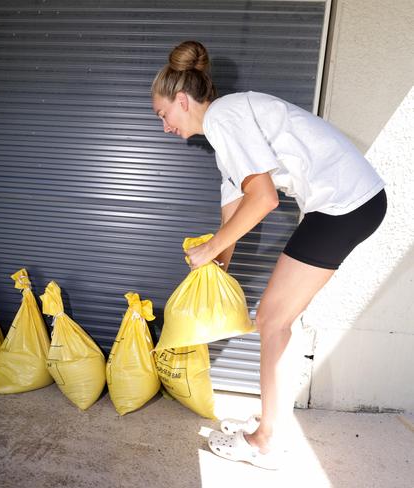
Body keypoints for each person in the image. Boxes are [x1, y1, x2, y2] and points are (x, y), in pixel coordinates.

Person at [151, 41, 387, 469]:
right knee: (281, 320)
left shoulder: (225, 117)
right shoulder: (225, 140)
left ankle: (264, 443)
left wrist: (209, 249)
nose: (164, 125)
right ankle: (274, 422)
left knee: (271, 320)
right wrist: (216, 265)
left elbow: (263, 200)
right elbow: (234, 214)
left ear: (182, 101)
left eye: (162, 114)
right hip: (347, 204)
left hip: (343, 205)